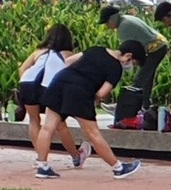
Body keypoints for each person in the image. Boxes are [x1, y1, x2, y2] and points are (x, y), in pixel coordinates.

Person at [41, 43, 142, 179]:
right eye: (133, 64)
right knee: (93, 133)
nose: (130, 67)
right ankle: (118, 167)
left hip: (60, 81)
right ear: (128, 56)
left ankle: (42, 166)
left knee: (48, 127)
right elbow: (101, 93)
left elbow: (69, 60)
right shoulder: (116, 68)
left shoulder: (97, 49)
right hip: (80, 90)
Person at [17, 25, 86, 178]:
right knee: (60, 125)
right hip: (48, 87)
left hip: (26, 83)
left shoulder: (38, 52)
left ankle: (39, 157)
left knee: (34, 121)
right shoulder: (67, 54)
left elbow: (22, 69)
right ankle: (75, 156)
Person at [101, 5, 165, 124]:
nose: (107, 26)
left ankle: (125, 106)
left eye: (106, 22)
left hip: (155, 49)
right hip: (159, 46)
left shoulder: (123, 28)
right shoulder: (126, 19)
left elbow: (129, 50)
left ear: (112, 18)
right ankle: (144, 107)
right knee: (147, 79)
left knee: (139, 80)